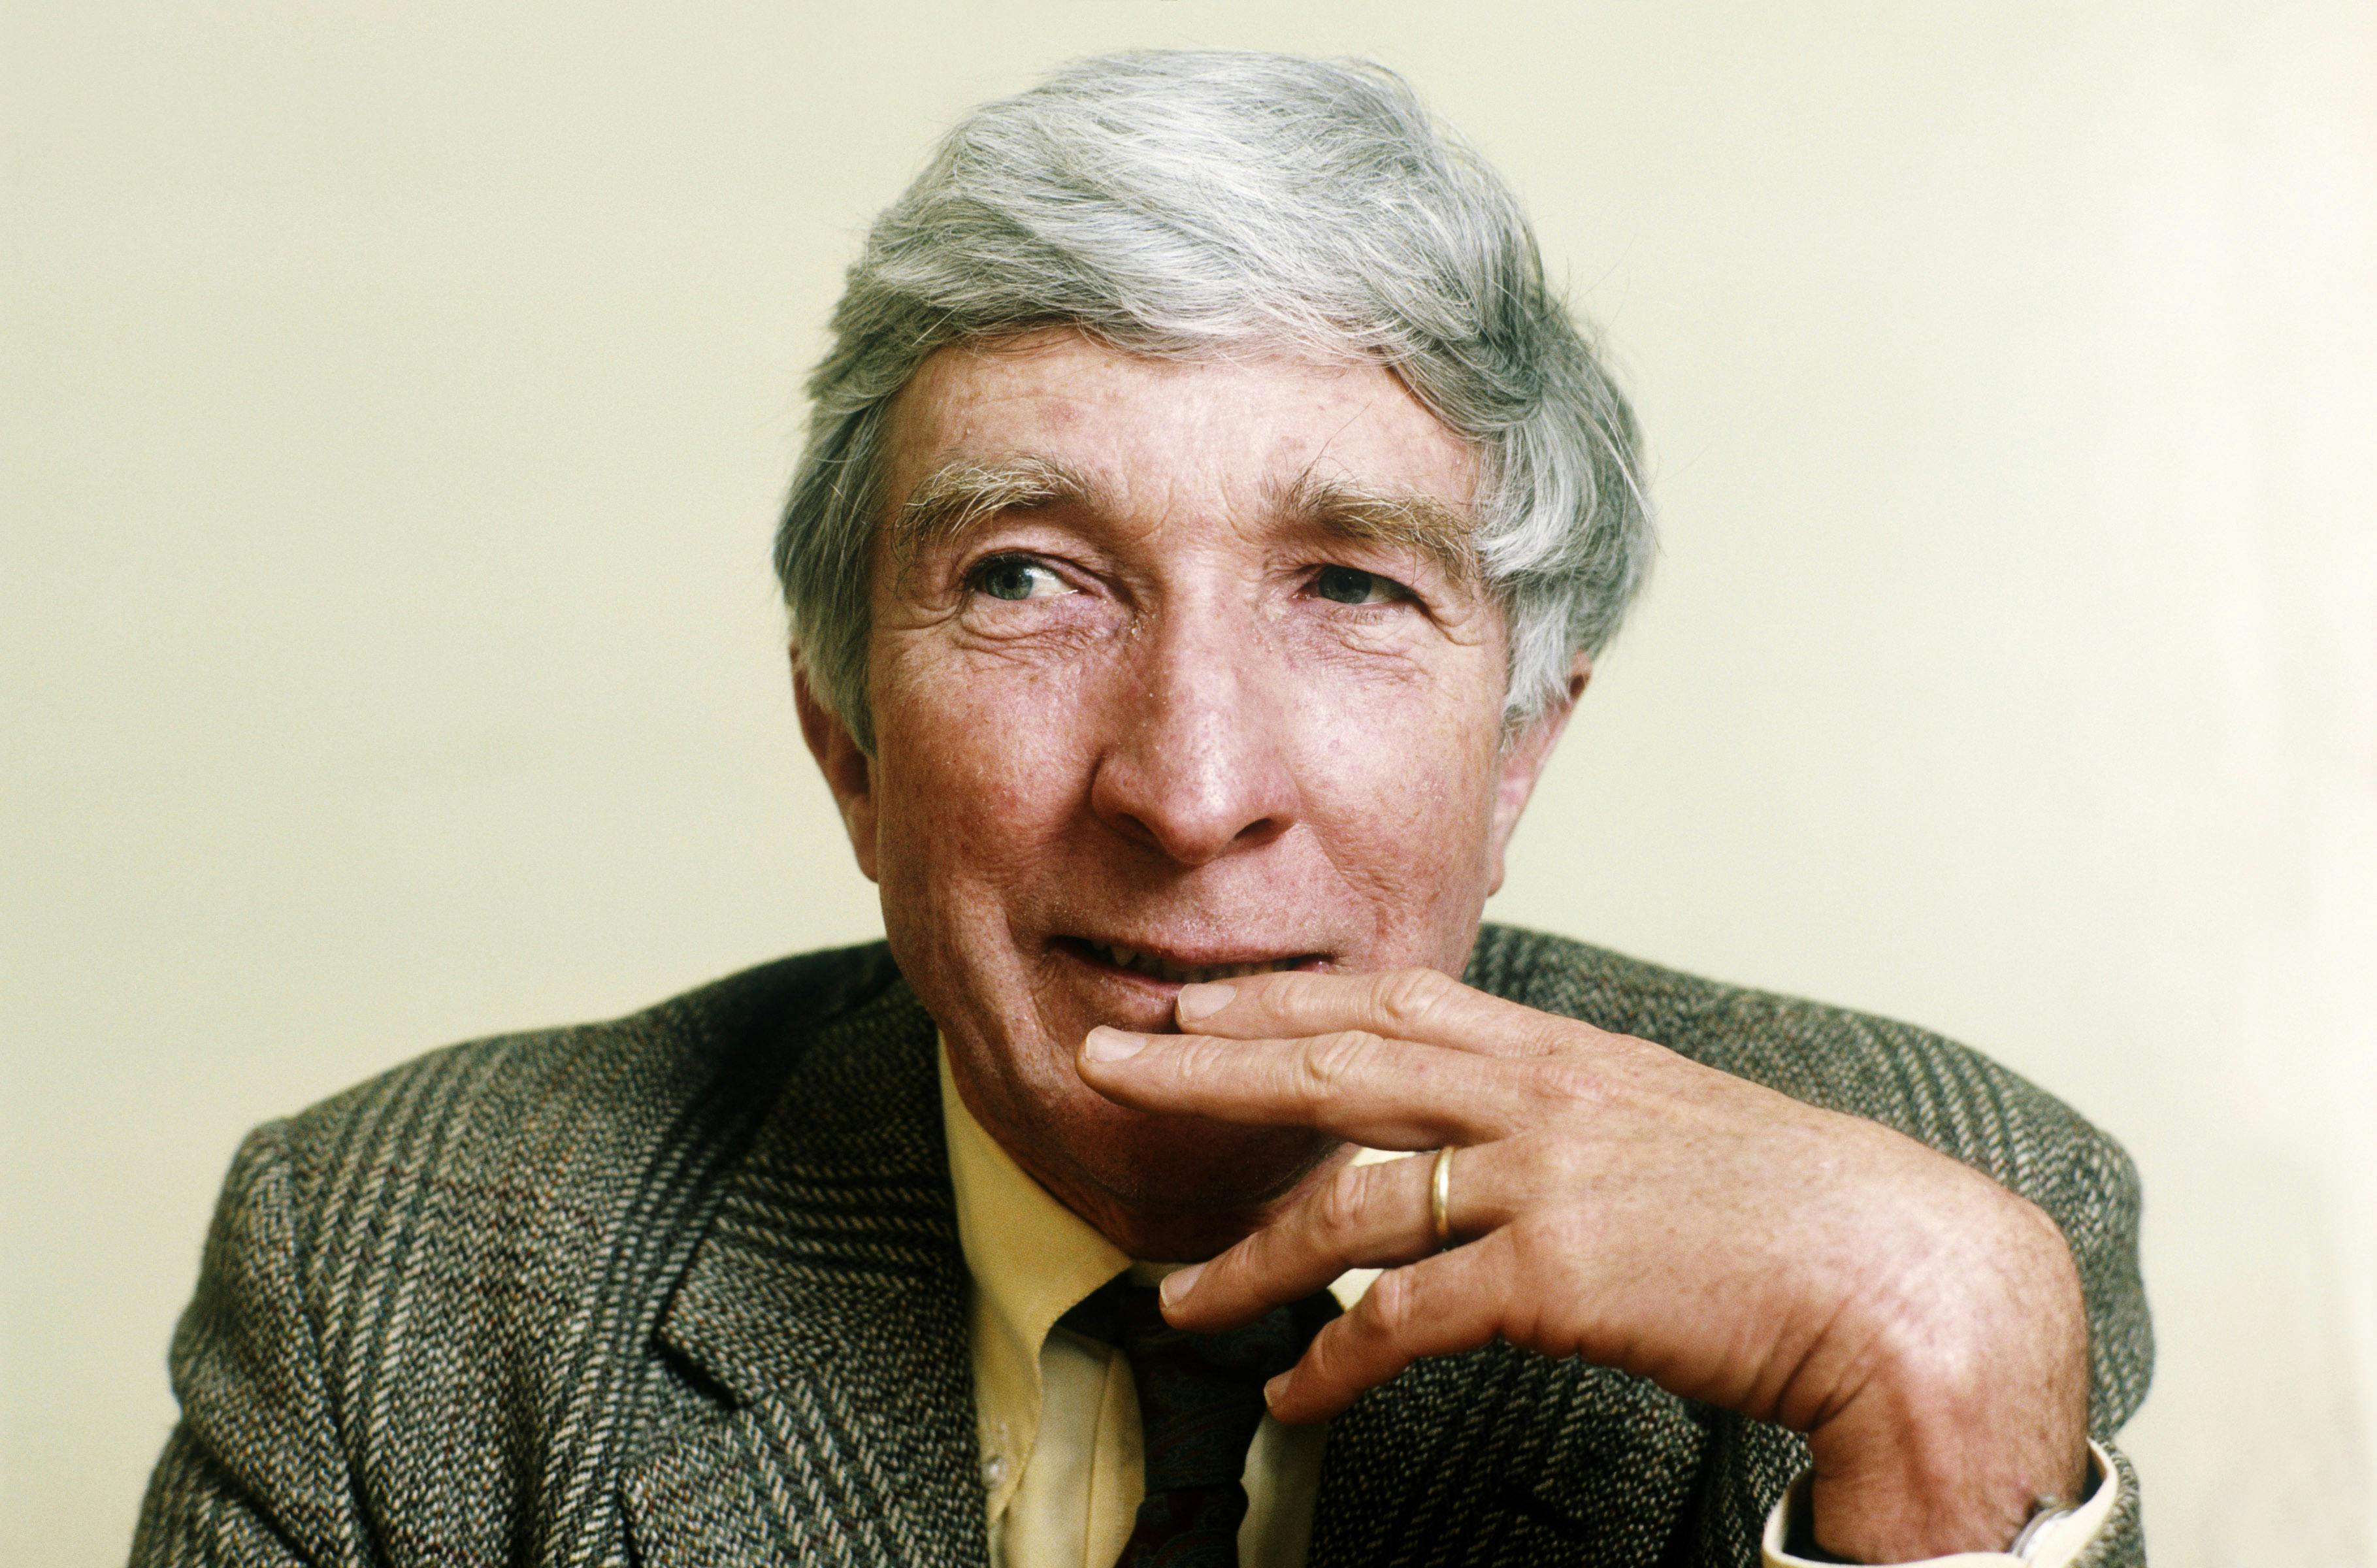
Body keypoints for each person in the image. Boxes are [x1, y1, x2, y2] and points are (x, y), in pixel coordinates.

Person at [131, 50, 2149, 1568]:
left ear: (1520, 743)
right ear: (846, 738)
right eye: (1028, 579)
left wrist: (1945, 1394)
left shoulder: (1947, 1211)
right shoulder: (396, 1275)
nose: (1190, 793)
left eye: (1350, 585)